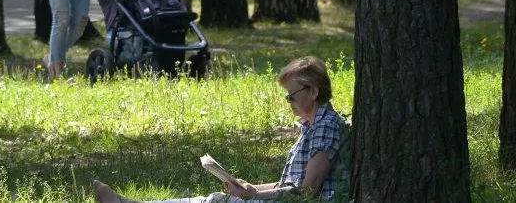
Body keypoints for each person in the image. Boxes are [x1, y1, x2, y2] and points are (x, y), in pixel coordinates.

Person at [93, 56, 347, 203]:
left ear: (312, 92)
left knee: (215, 202)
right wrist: (252, 188)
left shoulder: (324, 128)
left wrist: (255, 195)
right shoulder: (313, 126)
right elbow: (291, 184)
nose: (288, 102)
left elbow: (308, 191)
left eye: (291, 96)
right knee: (217, 200)